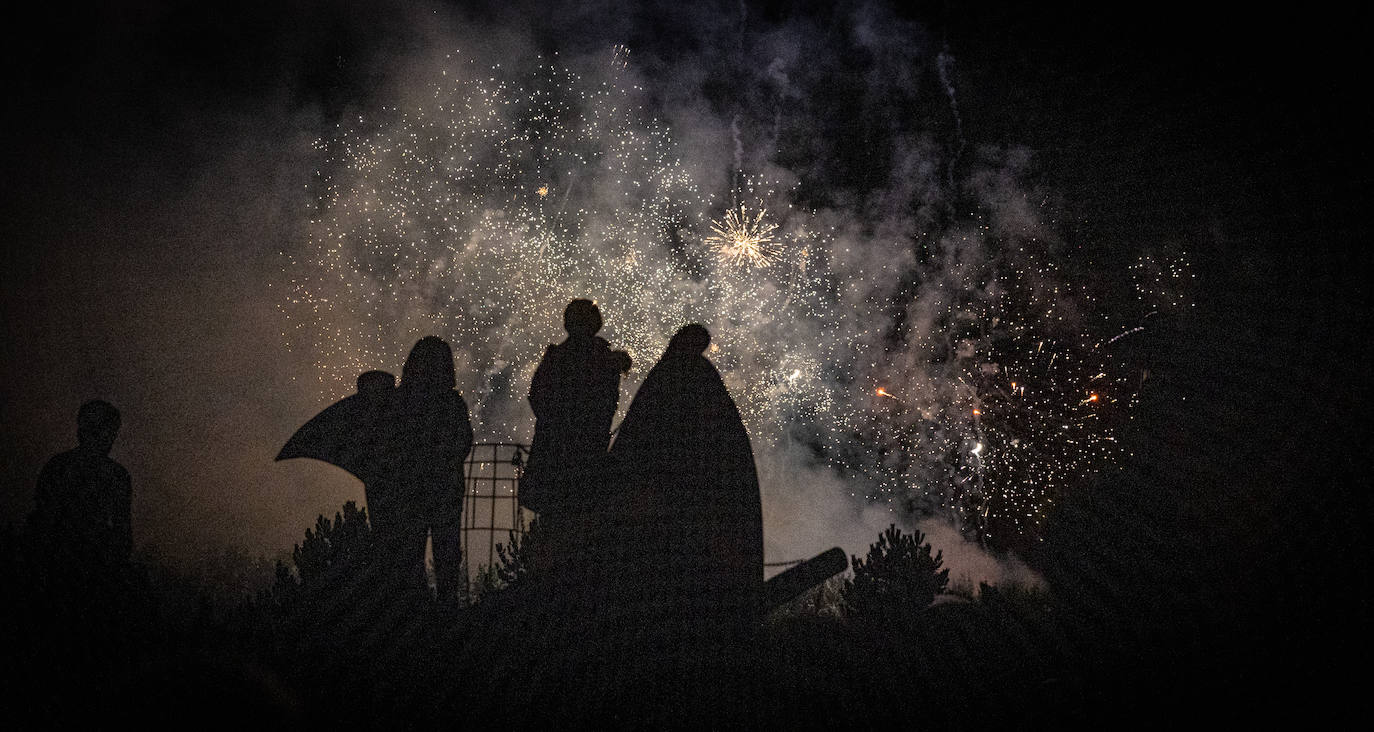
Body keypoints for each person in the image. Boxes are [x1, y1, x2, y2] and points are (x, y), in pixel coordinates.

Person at [607, 324, 763, 640]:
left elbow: (634, 442)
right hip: (697, 512)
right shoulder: (703, 381)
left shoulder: (662, 379)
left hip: (662, 510)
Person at [523, 299, 631, 573]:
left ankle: (547, 586)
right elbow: (605, 406)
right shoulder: (603, 360)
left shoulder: (557, 358)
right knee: (584, 529)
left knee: (555, 526)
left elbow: (537, 398)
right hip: (588, 457)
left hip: (554, 456)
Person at [370, 337, 474, 604]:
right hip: (446, 488)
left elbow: (388, 443)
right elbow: (464, 442)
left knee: (410, 550)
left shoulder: (401, 402)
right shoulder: (451, 402)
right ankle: (447, 608)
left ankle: (414, 607)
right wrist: (444, 461)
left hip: (410, 488)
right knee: (447, 551)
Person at [29, 399, 133, 580]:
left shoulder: (59, 466)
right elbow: (122, 532)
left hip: (64, 564)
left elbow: (42, 519)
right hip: (80, 566)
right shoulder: (116, 475)